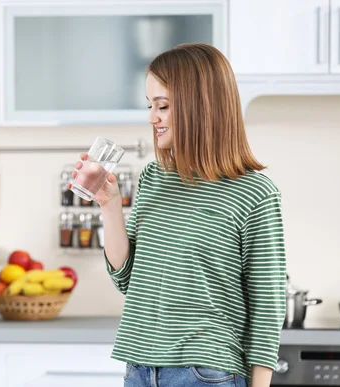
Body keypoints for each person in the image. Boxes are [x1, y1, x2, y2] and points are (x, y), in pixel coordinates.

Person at [70, 43, 287, 387]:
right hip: (139, 367)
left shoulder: (255, 194)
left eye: (163, 106)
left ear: (200, 106)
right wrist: (110, 205)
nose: (151, 117)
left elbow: (267, 306)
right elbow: (126, 279)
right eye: (150, 105)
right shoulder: (153, 178)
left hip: (204, 373)